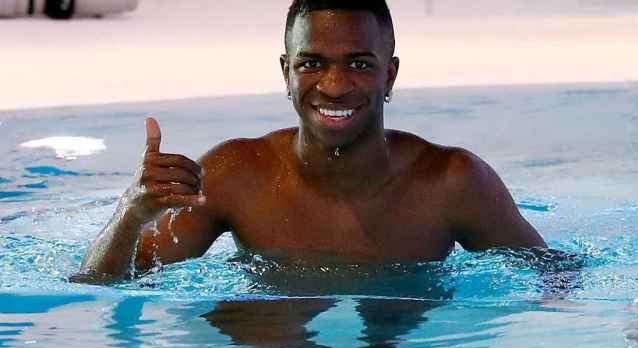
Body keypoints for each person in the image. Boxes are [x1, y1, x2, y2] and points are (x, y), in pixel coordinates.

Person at [75, 0, 546, 282]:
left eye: (359, 64)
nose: (335, 86)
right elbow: (104, 284)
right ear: (286, 73)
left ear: (391, 74)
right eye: (312, 63)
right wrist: (131, 213)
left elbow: (557, 277)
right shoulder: (234, 174)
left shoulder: (451, 182)